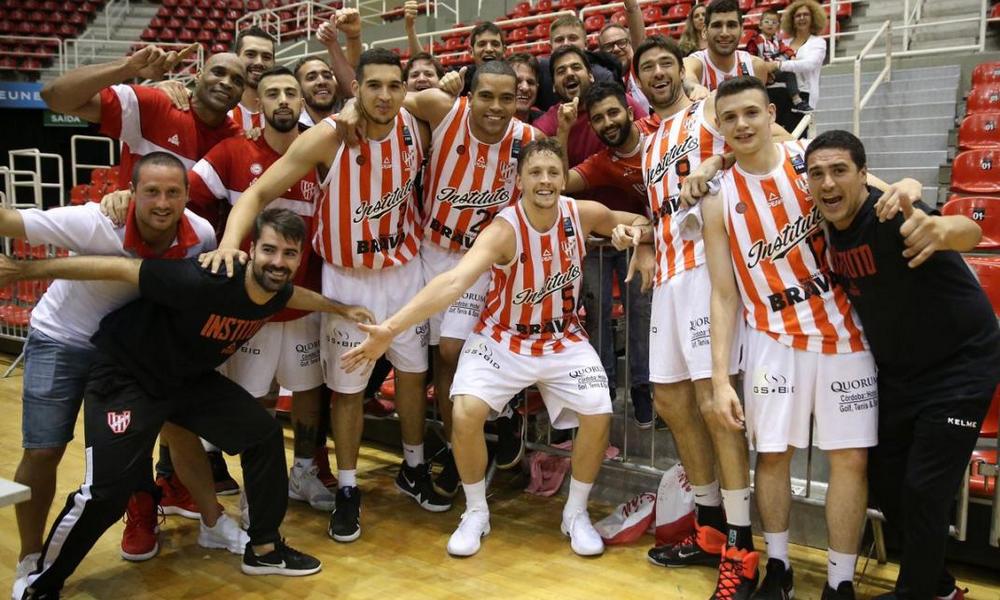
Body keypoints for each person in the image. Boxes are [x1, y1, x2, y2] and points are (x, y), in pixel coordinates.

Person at [5, 208, 375, 598]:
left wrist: (339, 308)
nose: (278, 262)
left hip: (185, 381)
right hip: (127, 375)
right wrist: (25, 270)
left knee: (263, 435)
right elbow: (118, 270)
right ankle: (42, 583)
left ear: (300, 258)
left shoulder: (277, 288)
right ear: (251, 250)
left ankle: (265, 548)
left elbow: (296, 294)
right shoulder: (204, 278)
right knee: (106, 492)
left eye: (289, 254)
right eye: (269, 250)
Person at [340, 138, 653, 558]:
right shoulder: (503, 230)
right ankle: (475, 512)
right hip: (503, 337)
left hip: (562, 338)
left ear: (564, 177)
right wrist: (391, 329)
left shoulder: (583, 214)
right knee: (466, 411)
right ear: (519, 179)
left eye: (553, 173)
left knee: (599, 411)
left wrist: (638, 236)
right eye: (535, 173)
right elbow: (452, 283)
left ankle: (575, 514)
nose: (545, 181)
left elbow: (638, 218)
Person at [201, 48, 446, 544]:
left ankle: (414, 468)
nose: (383, 95)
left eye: (392, 87)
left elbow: (450, 96)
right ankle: (351, 487)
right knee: (348, 390)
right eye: (371, 85)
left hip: (405, 272)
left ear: (404, 91)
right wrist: (230, 244)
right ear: (353, 87)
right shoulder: (329, 138)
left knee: (414, 377)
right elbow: (255, 194)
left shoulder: (417, 126)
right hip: (346, 278)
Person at [39, 44, 247, 552]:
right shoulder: (154, 105)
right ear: (198, 74)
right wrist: (129, 70)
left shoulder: (238, 137)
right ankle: (139, 506)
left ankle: (174, 489)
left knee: (173, 415)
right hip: (119, 288)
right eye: (216, 70)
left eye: (237, 76)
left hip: (183, 287)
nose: (224, 82)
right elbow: (54, 96)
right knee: (119, 423)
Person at [6, 153, 236, 599]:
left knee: (178, 429)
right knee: (44, 450)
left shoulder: (201, 234)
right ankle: (30, 558)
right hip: (61, 339)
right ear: (132, 193)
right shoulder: (95, 222)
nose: (163, 202)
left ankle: (213, 523)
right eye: (151, 191)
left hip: (131, 350)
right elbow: (14, 222)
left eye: (173, 192)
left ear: (188, 196)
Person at [702, 76, 877, 600]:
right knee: (772, 455)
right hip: (772, 339)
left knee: (849, 458)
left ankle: (840, 582)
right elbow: (723, 294)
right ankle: (778, 567)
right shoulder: (717, 197)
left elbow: (871, 194)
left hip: (846, 332)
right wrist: (718, 378)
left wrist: (909, 189)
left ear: (770, 113)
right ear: (719, 126)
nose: (741, 125)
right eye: (729, 117)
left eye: (750, 113)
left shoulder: (810, 161)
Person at [806, 130, 999, 600]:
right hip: (901, 373)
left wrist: (941, 228)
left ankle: (916, 593)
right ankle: (938, 587)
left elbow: (968, 232)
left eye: (839, 171)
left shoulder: (890, 214)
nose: (828, 183)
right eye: (817, 174)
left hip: (961, 364)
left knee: (925, 487)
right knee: (888, 482)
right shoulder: (825, 220)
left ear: (862, 175)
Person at [175, 67, 333, 513]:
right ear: (257, 104)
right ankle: (256, 489)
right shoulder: (231, 152)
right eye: (273, 93)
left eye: (291, 93)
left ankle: (303, 473)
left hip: (305, 300)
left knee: (307, 391)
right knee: (253, 403)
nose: (283, 100)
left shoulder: (321, 157)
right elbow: (182, 199)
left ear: (303, 103)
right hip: (251, 309)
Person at [397, 59, 543, 494]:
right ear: (468, 95)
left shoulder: (529, 140)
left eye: (507, 98)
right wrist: (350, 111)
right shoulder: (442, 108)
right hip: (434, 249)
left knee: (458, 349)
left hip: (486, 259)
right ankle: (460, 444)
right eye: (486, 96)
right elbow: (378, 101)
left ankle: (503, 411)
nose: (496, 107)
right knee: (443, 355)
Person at [559, 81, 654, 427]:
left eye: (613, 113)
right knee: (597, 314)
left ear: (631, 113)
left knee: (641, 314)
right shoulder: (601, 161)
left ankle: (644, 392)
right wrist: (564, 129)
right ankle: (605, 391)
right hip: (609, 239)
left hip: (653, 241)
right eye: (598, 119)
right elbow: (561, 183)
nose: (608, 122)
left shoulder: (659, 132)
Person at [534, 46, 646, 169]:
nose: (569, 73)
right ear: (554, 86)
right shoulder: (544, 126)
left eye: (576, 67)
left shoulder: (618, 100)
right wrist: (563, 131)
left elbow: (652, 136)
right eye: (561, 71)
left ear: (591, 76)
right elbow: (552, 178)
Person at [683, 0, 778, 96]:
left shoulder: (756, 66)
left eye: (731, 25)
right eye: (717, 25)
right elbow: (688, 77)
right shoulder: (695, 63)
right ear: (704, 32)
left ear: (741, 31)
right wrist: (695, 87)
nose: (724, 33)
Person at [534, 14, 623, 111]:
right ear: (550, 48)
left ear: (586, 44)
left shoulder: (604, 76)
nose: (566, 44)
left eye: (572, 38)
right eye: (559, 40)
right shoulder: (540, 72)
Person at [744, 9, 811, 113]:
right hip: (760, 71)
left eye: (774, 22)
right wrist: (762, 68)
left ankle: (797, 101)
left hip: (775, 69)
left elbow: (786, 49)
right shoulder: (755, 41)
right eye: (767, 22)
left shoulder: (777, 41)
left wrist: (792, 55)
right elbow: (750, 57)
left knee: (790, 72)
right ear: (760, 25)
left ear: (778, 27)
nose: (770, 25)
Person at [598, 0, 649, 115]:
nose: (616, 49)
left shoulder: (640, 66)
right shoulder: (599, 80)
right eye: (609, 46)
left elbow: (637, 31)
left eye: (621, 42)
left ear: (630, 43)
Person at [778, 0, 828, 111]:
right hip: (781, 93)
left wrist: (779, 65)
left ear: (813, 18)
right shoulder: (783, 43)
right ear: (792, 20)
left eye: (806, 15)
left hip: (805, 95)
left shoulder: (818, 42)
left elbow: (809, 64)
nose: (802, 18)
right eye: (798, 16)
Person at [228, 26, 275, 130]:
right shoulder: (222, 113)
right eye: (250, 54)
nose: (259, 62)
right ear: (236, 58)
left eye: (266, 57)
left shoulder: (283, 114)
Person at [508, 52, 543, 124]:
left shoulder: (545, 120)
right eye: (517, 81)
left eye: (530, 82)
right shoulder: (489, 125)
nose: (525, 87)